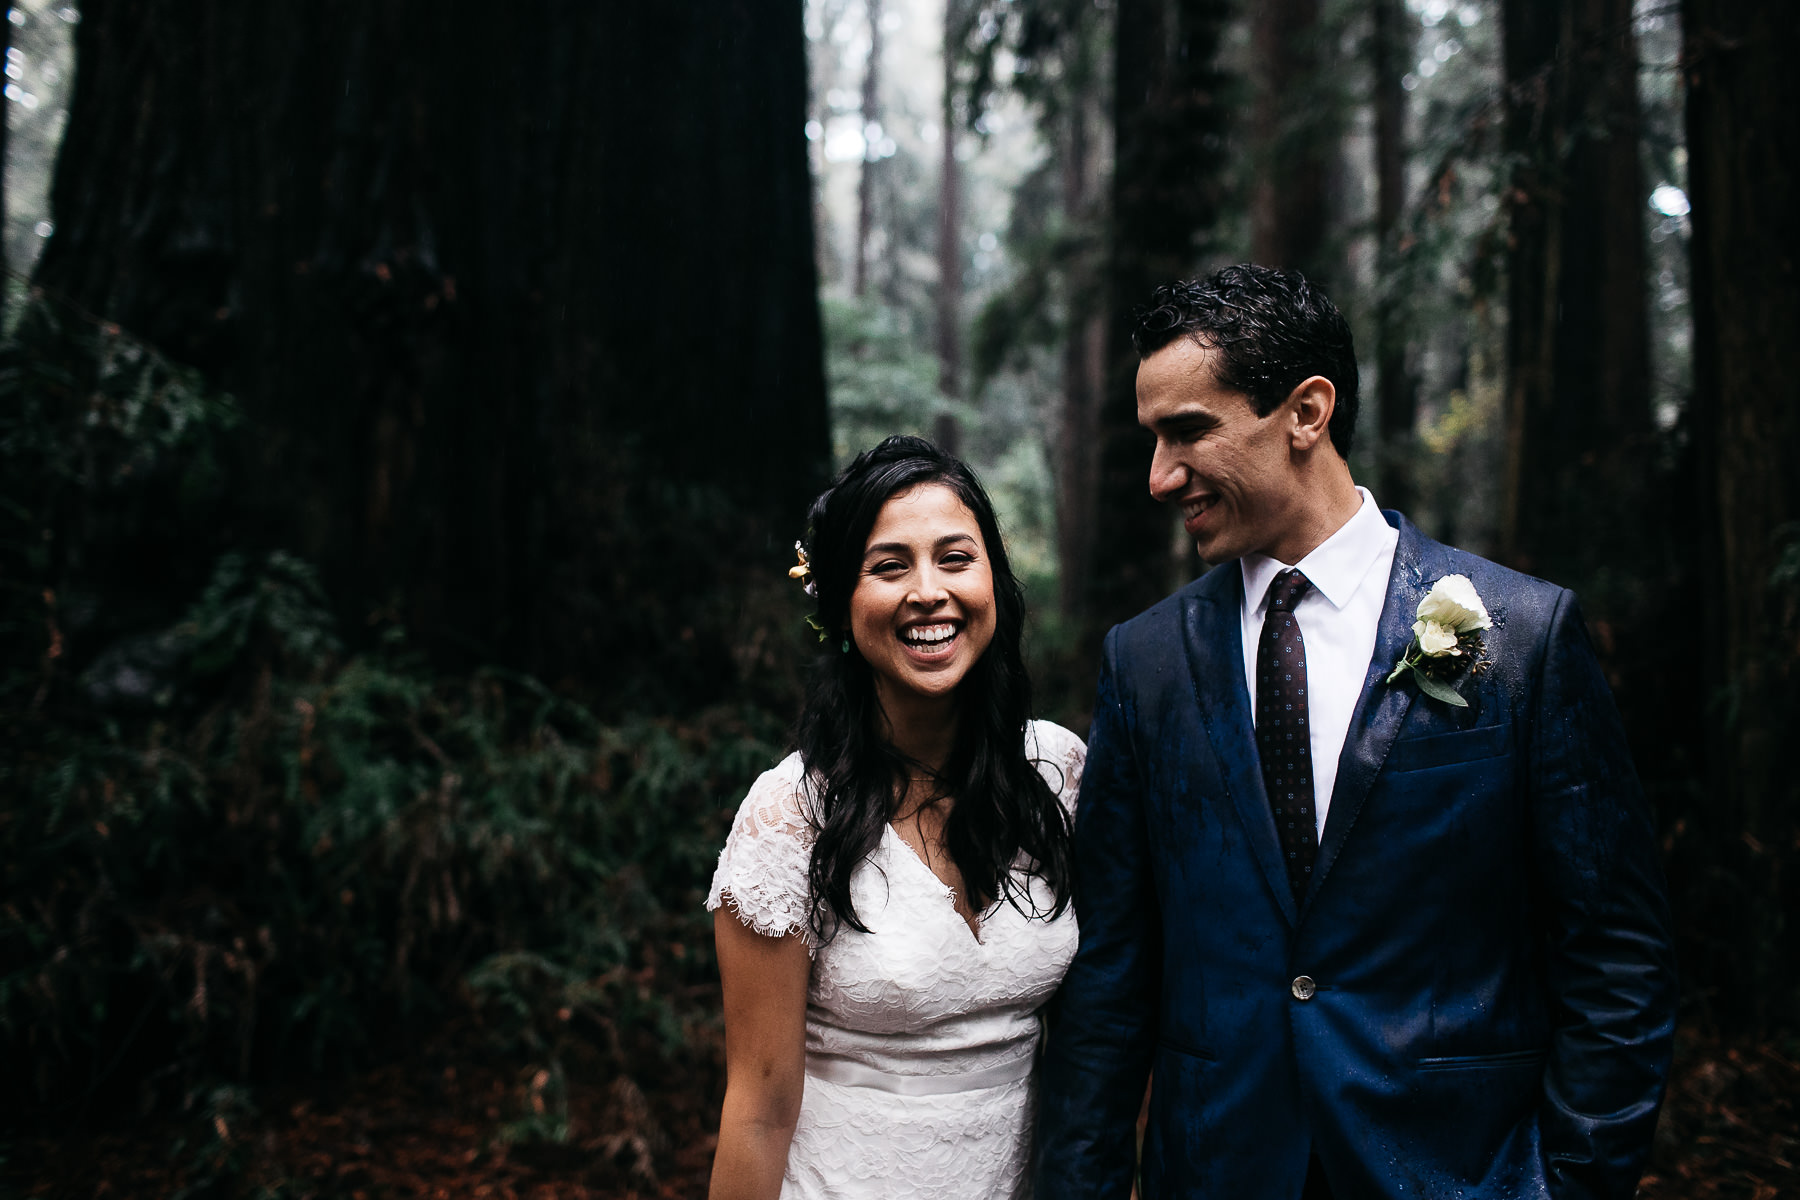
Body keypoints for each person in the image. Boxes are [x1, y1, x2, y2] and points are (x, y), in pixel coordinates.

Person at [1036, 265, 1676, 1200]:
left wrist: (1567, 1183)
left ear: (1307, 412)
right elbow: (1108, 982)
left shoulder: (1522, 636)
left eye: (1189, 431)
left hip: (1459, 1172)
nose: (1159, 476)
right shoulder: (1146, 663)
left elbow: (1615, 952)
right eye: (1152, 439)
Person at [706, 435, 1086, 1200]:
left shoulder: (1059, 773)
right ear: (841, 606)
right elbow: (759, 1110)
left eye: (955, 558)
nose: (928, 591)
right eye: (889, 566)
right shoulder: (789, 817)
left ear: (994, 585)